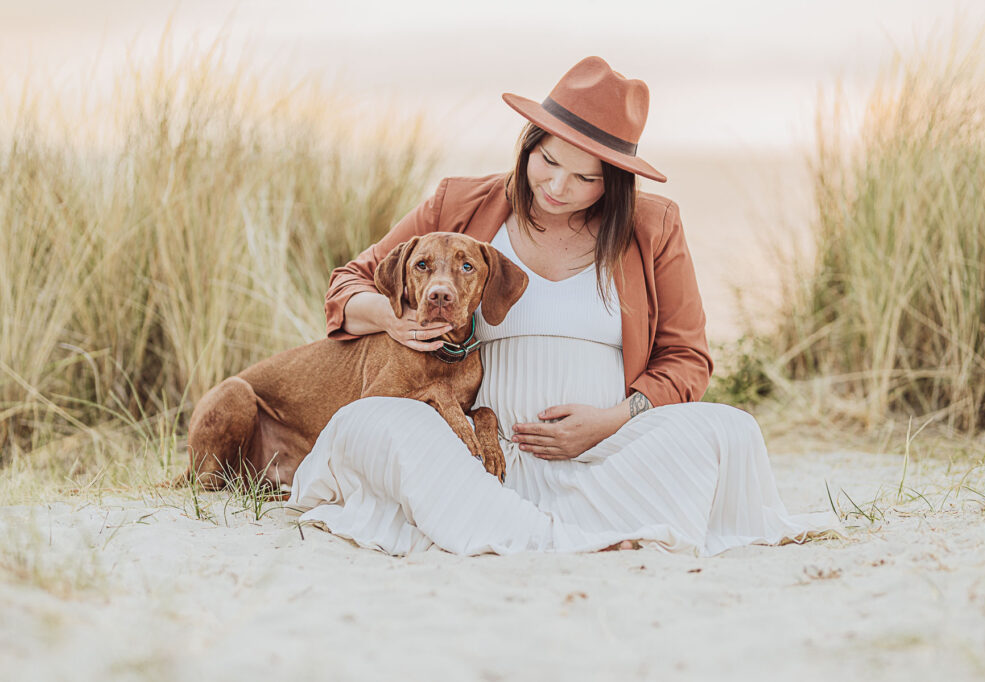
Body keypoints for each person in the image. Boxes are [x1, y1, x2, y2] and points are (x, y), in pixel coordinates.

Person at [287, 56, 832, 555]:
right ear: (529, 145)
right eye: (547, 160)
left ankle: (504, 524)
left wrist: (613, 420)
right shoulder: (460, 203)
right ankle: (523, 515)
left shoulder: (654, 227)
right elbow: (348, 284)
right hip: (475, 451)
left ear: (614, 181)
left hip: (608, 452)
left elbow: (687, 360)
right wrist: (394, 320)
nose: (556, 186)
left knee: (731, 431)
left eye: (585, 177)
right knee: (371, 422)